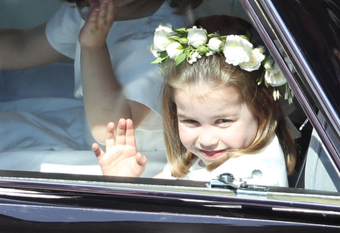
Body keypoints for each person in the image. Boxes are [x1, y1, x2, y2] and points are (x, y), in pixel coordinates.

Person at [93, 15, 297, 186]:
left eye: (223, 121)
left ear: (263, 105)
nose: (206, 140)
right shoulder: (224, 156)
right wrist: (123, 182)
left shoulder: (241, 179)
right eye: (191, 121)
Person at [0, 0, 191, 153]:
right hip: (91, 139)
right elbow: (24, 47)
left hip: (134, 161)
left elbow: (113, 130)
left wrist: (93, 48)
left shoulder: (163, 37)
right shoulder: (92, 9)